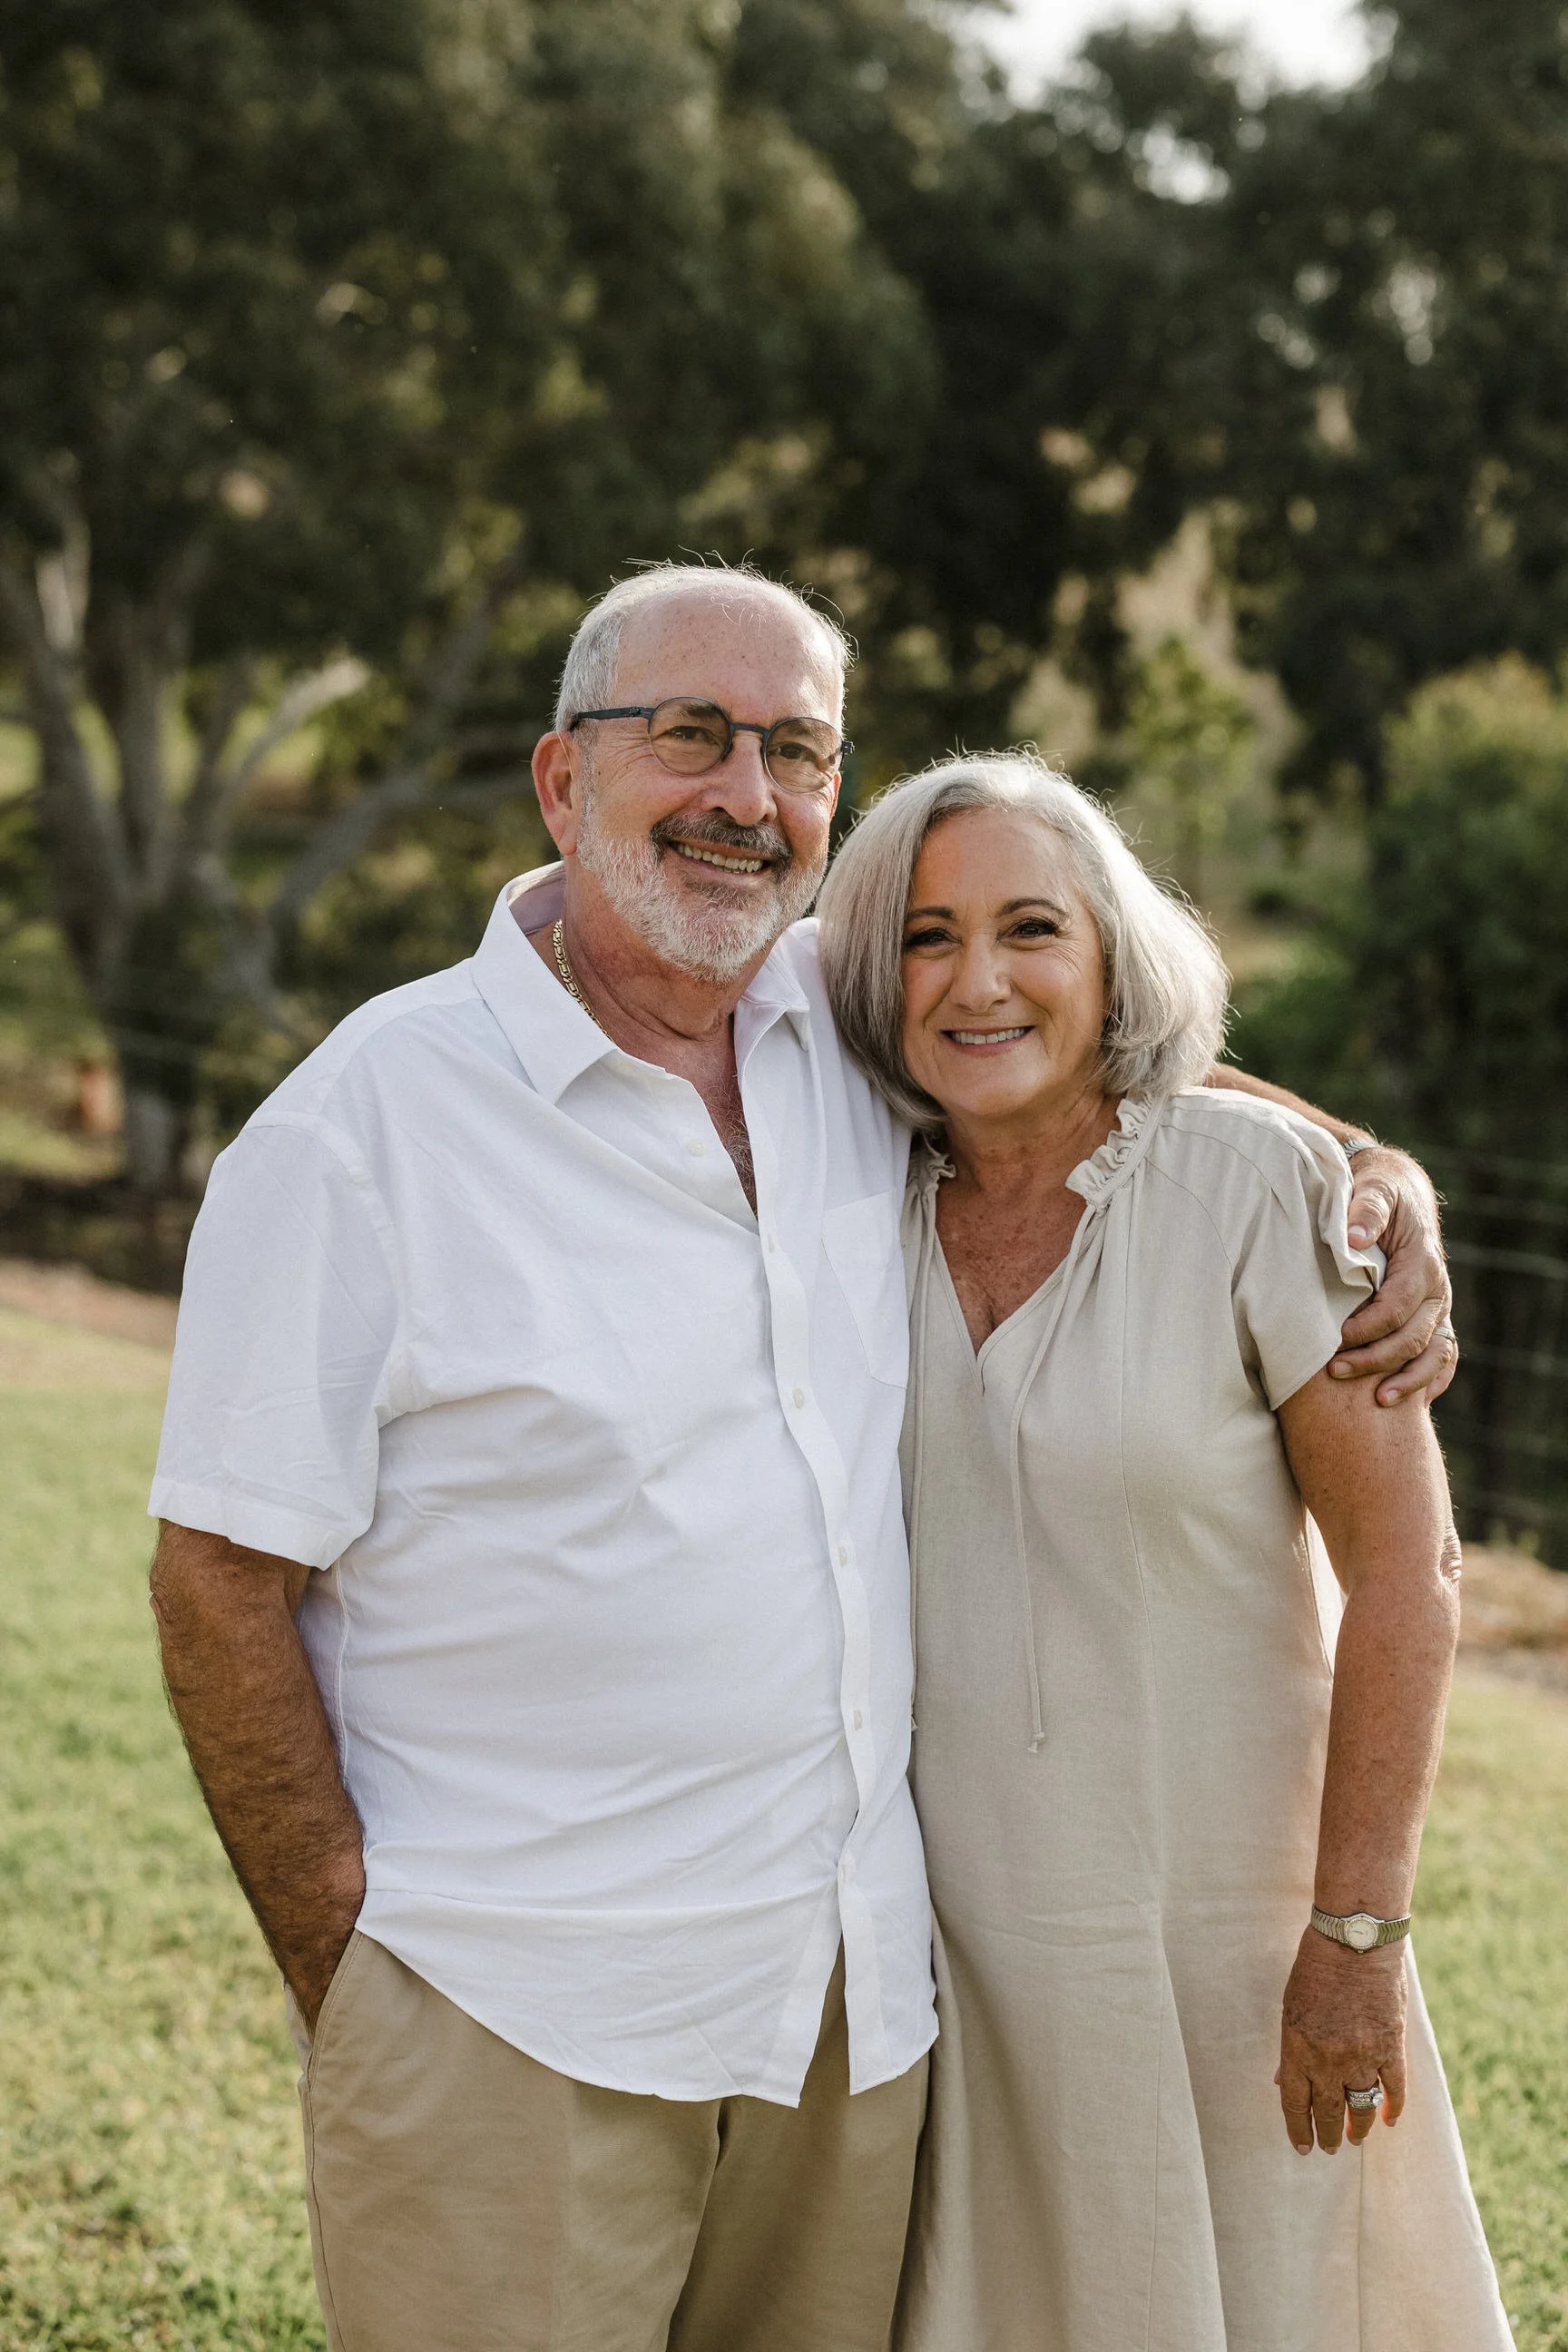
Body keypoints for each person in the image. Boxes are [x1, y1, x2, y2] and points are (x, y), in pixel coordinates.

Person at [148, 565, 1453, 2352]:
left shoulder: (832, 1045)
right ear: (560, 777)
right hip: (516, 2017)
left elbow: (1105, 1064)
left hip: (847, 2029)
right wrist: (354, 1966)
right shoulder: (364, 1133)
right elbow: (218, 1575)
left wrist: (1380, 1164)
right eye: (690, 735)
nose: (744, 794)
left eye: (797, 753)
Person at [817, 752, 1511, 2352]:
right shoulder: (850, 1189)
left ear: (1114, 957)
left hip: (1237, 1944)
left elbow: (1414, 1576)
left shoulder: (1257, 1191)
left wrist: (1356, 1941)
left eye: (1030, 930)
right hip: (966, 1953)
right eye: (926, 937)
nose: (975, 980)